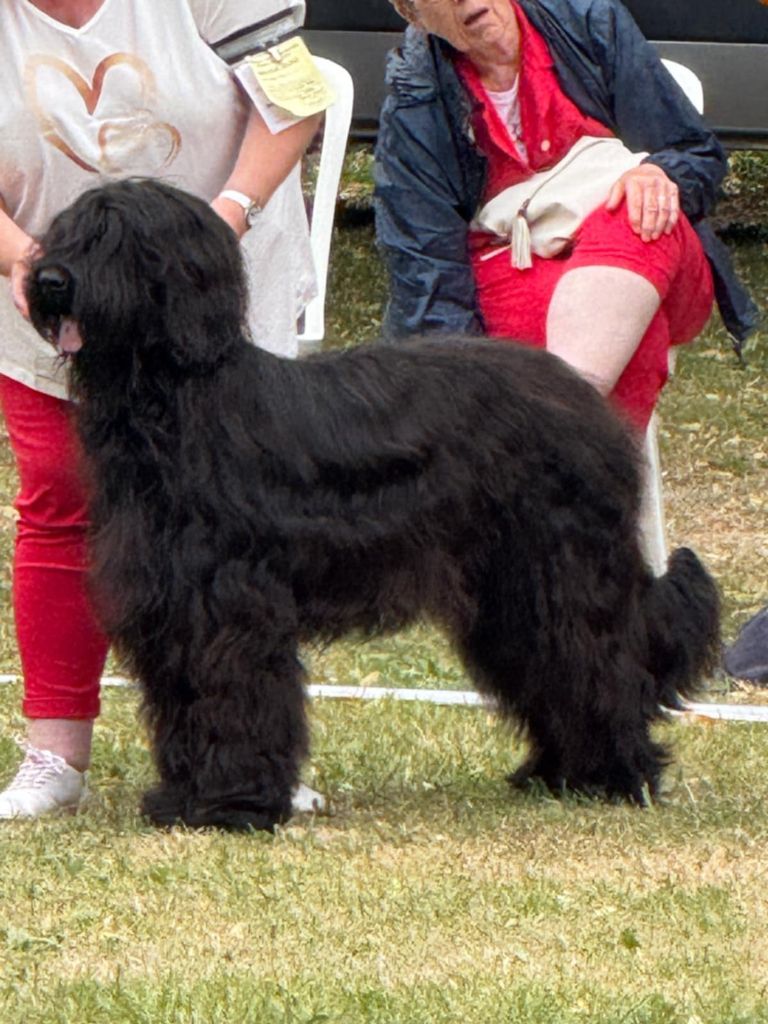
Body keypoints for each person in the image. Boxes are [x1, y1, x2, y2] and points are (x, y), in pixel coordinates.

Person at [0, 0, 322, 819]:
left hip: (216, 291)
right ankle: (54, 754)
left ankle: (251, 751)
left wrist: (226, 218)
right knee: (60, 496)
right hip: (57, 294)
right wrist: (26, 260)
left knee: (238, 528)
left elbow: (295, 97)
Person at [374, 0, 757, 432]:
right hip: (516, 265)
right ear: (414, 16)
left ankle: (558, 447)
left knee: (636, 207)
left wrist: (657, 173)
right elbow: (428, 271)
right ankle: (589, 479)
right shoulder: (415, 104)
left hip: (652, 252)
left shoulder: (590, 20)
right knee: (628, 338)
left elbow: (695, 153)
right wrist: (462, 384)